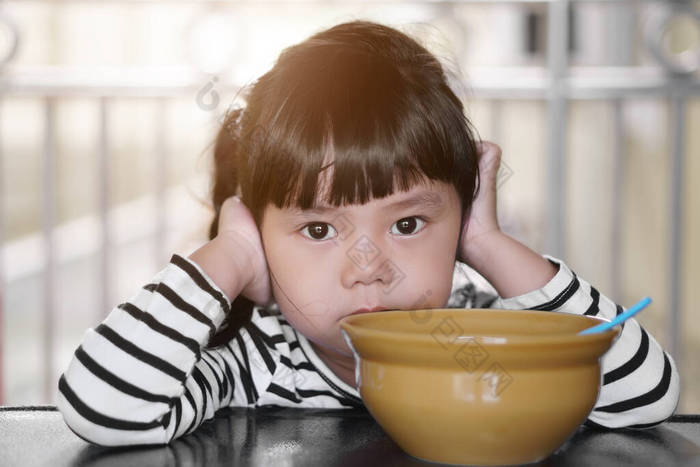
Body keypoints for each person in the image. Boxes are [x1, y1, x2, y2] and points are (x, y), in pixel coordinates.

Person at [56, 20, 680, 446]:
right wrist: (231, 253)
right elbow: (101, 407)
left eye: (409, 224)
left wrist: (489, 245)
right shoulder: (259, 365)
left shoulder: (481, 339)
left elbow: (646, 398)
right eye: (319, 228)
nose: (369, 267)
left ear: (458, 221)